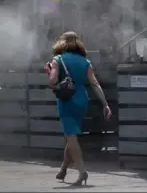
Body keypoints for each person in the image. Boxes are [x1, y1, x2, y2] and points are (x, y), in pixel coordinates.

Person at [44, 31, 112, 185]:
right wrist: (105, 104)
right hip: (82, 101)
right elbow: (94, 84)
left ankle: (82, 172)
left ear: (61, 43)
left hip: (67, 101)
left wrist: (49, 72)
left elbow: (52, 81)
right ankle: (63, 169)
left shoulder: (57, 60)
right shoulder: (85, 61)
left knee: (71, 136)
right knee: (71, 135)